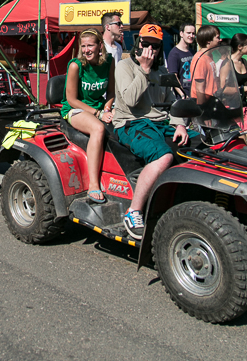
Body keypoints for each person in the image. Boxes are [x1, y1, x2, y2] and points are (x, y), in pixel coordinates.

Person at [113, 24, 189, 240]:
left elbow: (173, 102)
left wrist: (180, 124)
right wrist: (144, 70)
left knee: (198, 146)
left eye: (155, 46)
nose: (150, 50)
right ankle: (133, 211)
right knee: (163, 156)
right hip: (130, 123)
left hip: (160, 123)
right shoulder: (124, 66)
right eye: (145, 44)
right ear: (138, 44)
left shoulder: (162, 71)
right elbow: (130, 100)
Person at [61, 28, 114, 203]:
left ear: (100, 46)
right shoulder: (76, 65)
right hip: (75, 109)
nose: (86, 50)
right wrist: (98, 114)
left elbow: (111, 92)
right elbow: (71, 99)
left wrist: (107, 109)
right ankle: (93, 185)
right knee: (98, 129)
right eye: (83, 46)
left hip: (99, 109)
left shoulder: (109, 62)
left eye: (90, 45)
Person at [190, 25, 221, 104]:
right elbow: (199, 89)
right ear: (208, 41)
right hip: (203, 104)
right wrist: (202, 109)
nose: (220, 40)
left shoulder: (209, 56)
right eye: (217, 37)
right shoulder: (200, 59)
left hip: (211, 101)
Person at [166, 23, 196, 96]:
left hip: (194, 94)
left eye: (193, 33)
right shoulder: (174, 54)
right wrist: (182, 94)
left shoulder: (193, 52)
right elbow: (173, 77)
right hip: (182, 97)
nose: (191, 36)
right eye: (188, 33)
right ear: (181, 33)